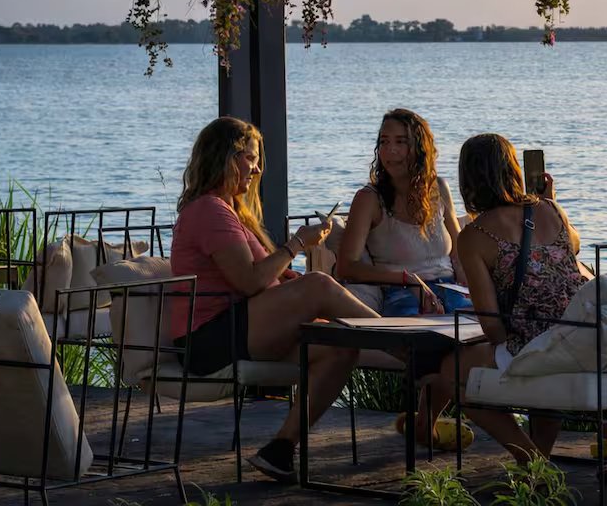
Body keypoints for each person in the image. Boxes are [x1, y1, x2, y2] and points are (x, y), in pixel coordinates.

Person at [169, 116, 380, 484]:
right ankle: (408, 344)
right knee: (318, 284)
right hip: (207, 340)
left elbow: (261, 277)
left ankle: (280, 449)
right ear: (226, 157)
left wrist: (288, 280)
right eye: (250, 158)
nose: (258, 167)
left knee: (340, 348)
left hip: (243, 329)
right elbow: (249, 282)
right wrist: (297, 245)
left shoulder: (231, 210)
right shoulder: (209, 210)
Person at [438, 132, 591, 462]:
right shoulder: (551, 210)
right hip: (579, 337)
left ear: (468, 178)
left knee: (449, 371)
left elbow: (492, 325)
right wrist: (550, 199)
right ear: (513, 170)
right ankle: (538, 467)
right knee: (536, 369)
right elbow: (572, 249)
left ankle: (530, 458)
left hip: (538, 347)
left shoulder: (474, 236)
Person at [336, 108, 473, 450]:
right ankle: (425, 423)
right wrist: (405, 279)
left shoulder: (439, 188)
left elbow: (458, 252)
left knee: (482, 339)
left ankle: (423, 423)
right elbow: (346, 267)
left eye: (401, 142)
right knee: (437, 346)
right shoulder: (370, 199)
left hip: (450, 290)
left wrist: (476, 291)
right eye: (384, 142)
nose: (390, 151)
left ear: (420, 148)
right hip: (401, 292)